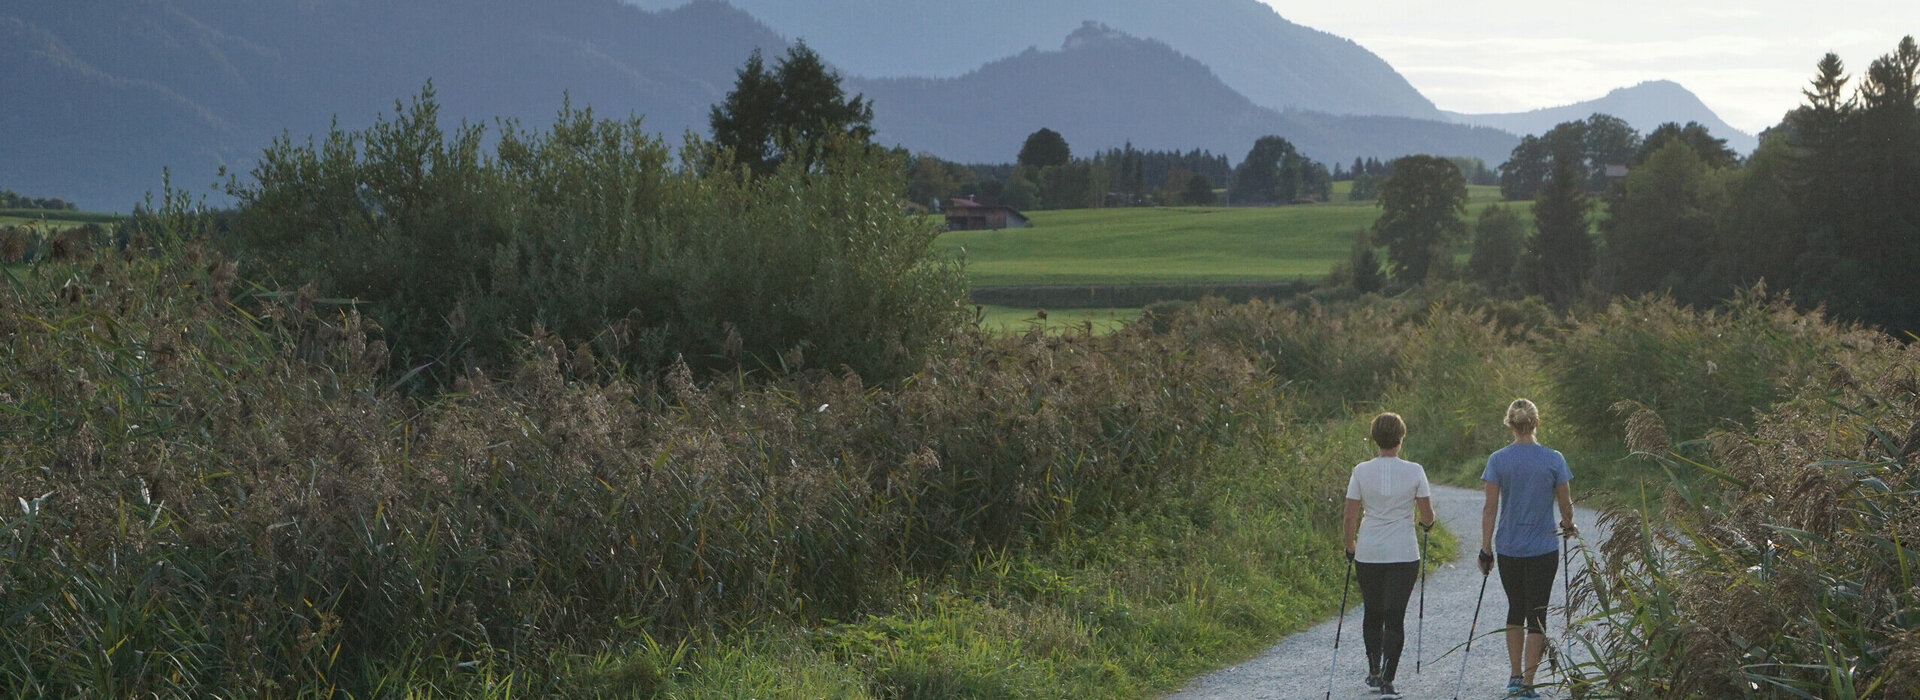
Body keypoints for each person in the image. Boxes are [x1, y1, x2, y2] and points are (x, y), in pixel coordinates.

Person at [1478, 398, 1577, 698]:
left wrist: (1485, 549)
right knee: (1537, 613)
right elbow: (1565, 504)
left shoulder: (1498, 460)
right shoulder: (1554, 459)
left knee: (1515, 608)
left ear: (1510, 424)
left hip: (1508, 546)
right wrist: (1568, 525)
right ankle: (1529, 684)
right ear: (1536, 423)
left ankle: (1514, 675)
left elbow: (1490, 509)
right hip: (1543, 547)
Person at [1344, 412, 1436, 700]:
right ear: (1401, 437)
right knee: (1395, 615)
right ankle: (1388, 678)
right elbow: (1427, 514)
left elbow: (1350, 514)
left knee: (1372, 611)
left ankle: (1372, 669)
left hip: (1369, 550)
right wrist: (1427, 525)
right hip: (1403, 551)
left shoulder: (1361, 471)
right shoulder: (1415, 471)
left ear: (1375, 437)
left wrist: (1350, 545)